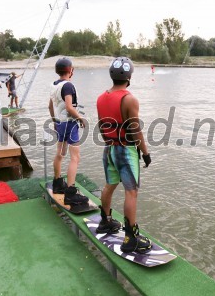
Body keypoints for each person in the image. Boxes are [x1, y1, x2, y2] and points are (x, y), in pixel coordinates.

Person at [96, 56, 152, 254]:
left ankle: (106, 221)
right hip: (126, 150)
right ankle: (130, 238)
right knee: (131, 191)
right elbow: (135, 131)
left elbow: (103, 127)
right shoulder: (129, 99)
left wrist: (110, 143)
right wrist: (145, 153)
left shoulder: (101, 98)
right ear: (129, 77)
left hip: (109, 148)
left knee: (109, 185)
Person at [48, 57, 89, 205]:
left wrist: (54, 121)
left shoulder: (54, 85)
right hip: (70, 124)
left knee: (60, 153)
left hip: (59, 123)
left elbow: (50, 106)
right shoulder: (68, 86)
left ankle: (58, 183)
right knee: (75, 157)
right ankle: (71, 193)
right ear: (70, 70)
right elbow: (70, 107)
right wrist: (80, 119)